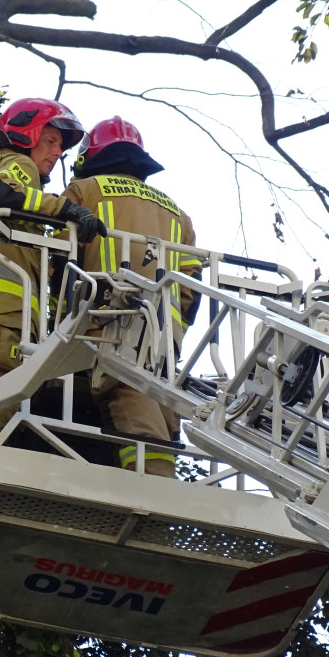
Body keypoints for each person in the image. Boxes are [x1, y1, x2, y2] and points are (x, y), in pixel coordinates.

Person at [0, 97, 106, 442]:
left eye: (60, 145)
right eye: (50, 141)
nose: (57, 151)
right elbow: (3, 194)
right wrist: (67, 210)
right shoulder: (19, 164)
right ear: (27, 134)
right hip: (1, 309)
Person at [61, 116, 202, 477]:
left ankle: (154, 492)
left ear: (92, 156)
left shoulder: (84, 191)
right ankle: (162, 489)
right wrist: (174, 330)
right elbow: (190, 289)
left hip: (105, 324)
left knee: (131, 405)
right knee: (162, 412)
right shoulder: (178, 214)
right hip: (163, 340)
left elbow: (59, 260)